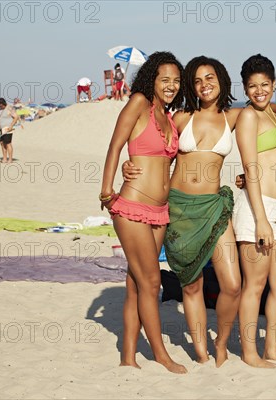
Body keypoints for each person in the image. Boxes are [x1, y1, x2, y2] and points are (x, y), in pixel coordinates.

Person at [121, 56, 276, 367]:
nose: (205, 85)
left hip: (214, 206)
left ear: (222, 81)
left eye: (210, 78)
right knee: (192, 284)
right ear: (192, 85)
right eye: (198, 80)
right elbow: (152, 146)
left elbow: (265, 105)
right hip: (179, 208)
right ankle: (201, 352)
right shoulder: (180, 118)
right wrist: (129, 164)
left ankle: (221, 339)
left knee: (232, 284)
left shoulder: (233, 117)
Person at [99, 51, 187, 374]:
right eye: (165, 79)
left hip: (160, 212)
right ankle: (161, 354)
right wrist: (107, 191)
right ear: (152, 78)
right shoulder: (138, 102)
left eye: (177, 81)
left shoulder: (168, 114)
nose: (171, 86)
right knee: (153, 283)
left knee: (136, 284)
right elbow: (116, 144)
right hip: (133, 206)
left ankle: (128, 356)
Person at [233, 54, 276, 368]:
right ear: (245, 88)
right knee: (254, 285)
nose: (259, 90)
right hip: (257, 209)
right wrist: (260, 220)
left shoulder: (273, 113)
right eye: (252, 86)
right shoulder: (248, 117)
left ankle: (272, 348)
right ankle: (250, 353)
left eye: (265, 84)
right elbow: (251, 167)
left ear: (273, 84)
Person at [0, 98, 19, 163]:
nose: (0, 107)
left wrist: (11, 126)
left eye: (1, 106)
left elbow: (16, 117)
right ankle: (4, 158)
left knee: (8, 143)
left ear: (4, 103)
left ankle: (10, 159)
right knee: (2, 143)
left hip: (8, 129)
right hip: (1, 129)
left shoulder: (9, 108)